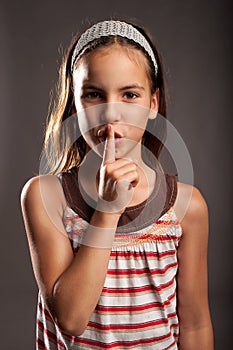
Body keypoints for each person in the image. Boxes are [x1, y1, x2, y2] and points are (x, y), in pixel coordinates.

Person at [21, 19, 214, 349]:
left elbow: (195, 324)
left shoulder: (187, 207)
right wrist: (107, 211)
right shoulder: (45, 197)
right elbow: (71, 317)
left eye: (129, 95)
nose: (112, 113)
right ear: (74, 105)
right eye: (94, 95)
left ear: (153, 104)